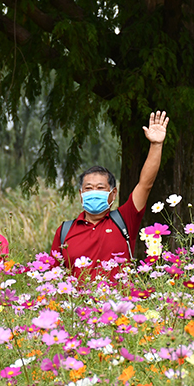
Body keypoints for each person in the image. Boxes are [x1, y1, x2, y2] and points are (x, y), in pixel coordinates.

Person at [52, 111, 169, 279]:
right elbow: (51, 277)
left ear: (113, 193)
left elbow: (145, 184)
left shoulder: (124, 220)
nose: (94, 192)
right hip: (76, 304)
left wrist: (156, 145)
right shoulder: (65, 231)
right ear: (80, 194)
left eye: (100, 188)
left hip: (118, 304)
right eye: (88, 188)